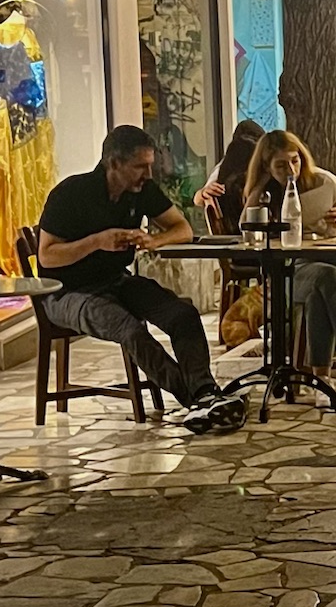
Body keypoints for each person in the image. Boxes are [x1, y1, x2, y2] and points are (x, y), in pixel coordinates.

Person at [36, 125, 244, 433]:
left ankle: (204, 392)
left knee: (183, 314)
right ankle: (198, 399)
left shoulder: (141, 190)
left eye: (150, 165)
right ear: (113, 163)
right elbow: (47, 256)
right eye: (140, 166)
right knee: (131, 330)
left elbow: (182, 229)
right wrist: (97, 241)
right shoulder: (71, 194)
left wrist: (153, 240)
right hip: (66, 292)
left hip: (116, 280)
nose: (148, 174)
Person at [243, 130, 336, 397]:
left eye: (295, 161)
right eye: (281, 165)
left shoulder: (323, 181)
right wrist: (259, 187)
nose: (291, 170)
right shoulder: (265, 195)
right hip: (297, 268)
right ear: (267, 167)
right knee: (325, 281)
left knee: (323, 291)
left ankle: (322, 382)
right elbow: (247, 231)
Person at [194, 118, 264, 236]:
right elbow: (198, 199)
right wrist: (204, 193)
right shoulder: (226, 167)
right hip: (236, 229)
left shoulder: (267, 166)